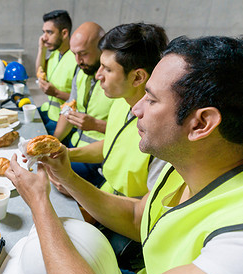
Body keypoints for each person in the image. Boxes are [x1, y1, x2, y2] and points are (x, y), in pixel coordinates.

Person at [6, 35, 243, 274]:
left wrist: (39, 204)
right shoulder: (202, 157)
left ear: (201, 123)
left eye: (151, 99)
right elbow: (140, 216)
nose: (135, 109)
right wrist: (67, 177)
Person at [65, 23, 168, 198]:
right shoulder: (121, 103)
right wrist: (66, 155)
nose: (98, 75)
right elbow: (112, 146)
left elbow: (143, 211)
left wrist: (80, 190)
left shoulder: (162, 134)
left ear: (137, 77)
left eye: (107, 69)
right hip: (106, 193)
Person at [52, 22, 112, 186]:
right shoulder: (81, 71)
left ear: (102, 48)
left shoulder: (118, 82)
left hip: (98, 158)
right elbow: (68, 109)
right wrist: (53, 141)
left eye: (84, 54)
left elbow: (128, 132)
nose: (78, 61)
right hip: (74, 147)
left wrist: (95, 125)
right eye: (74, 54)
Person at [36, 10, 77, 135]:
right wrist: (41, 49)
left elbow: (81, 101)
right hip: (48, 111)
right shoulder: (55, 54)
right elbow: (39, 71)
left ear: (64, 33)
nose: (44, 37)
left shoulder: (77, 60)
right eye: (44, 32)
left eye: (49, 32)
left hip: (61, 121)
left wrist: (56, 93)